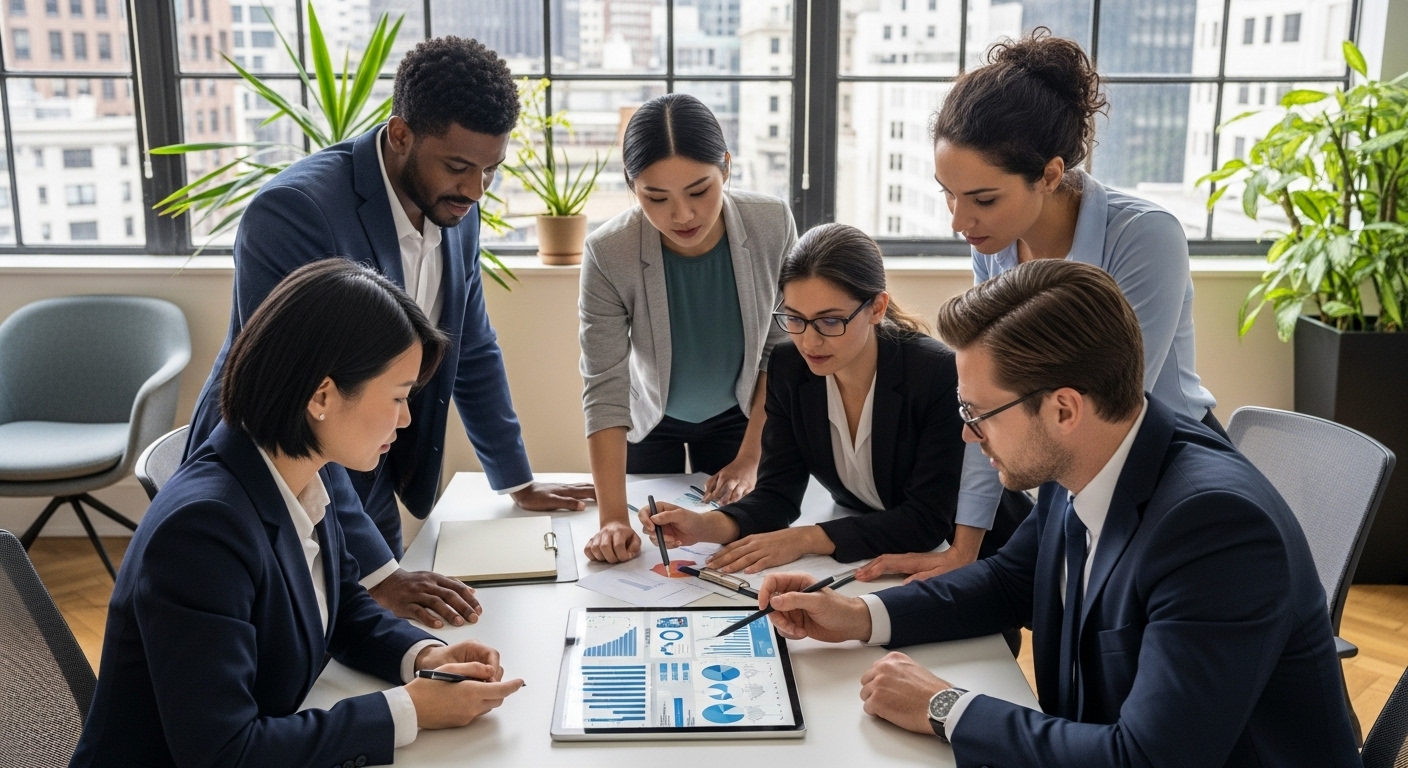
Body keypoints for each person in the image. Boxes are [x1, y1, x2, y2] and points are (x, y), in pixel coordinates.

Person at [754, 259, 1359, 767]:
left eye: (978, 414)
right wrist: (856, 615)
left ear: (1064, 408)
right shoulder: (1086, 458)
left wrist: (945, 706)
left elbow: (1147, 759)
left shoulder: (1215, 529)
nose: (969, 436)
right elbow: (1008, 581)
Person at [184, 37, 593, 628]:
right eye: (458, 167)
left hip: (368, 462)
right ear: (401, 135)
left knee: (386, 643)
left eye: (489, 170)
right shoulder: (296, 212)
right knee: (296, 655)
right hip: (277, 480)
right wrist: (379, 572)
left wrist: (516, 478)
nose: (476, 191)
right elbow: (299, 404)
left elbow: (469, 346)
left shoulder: (457, 210)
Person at [70, 260, 525, 768]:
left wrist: (423, 657)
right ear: (322, 396)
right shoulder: (202, 531)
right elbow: (223, 753)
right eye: (398, 396)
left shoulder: (303, 467)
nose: (406, 418)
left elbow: (341, 606)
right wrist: (409, 710)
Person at [870, 30, 1222, 583]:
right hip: (1066, 457)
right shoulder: (995, 245)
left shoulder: (1145, 236)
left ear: (1051, 175)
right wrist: (963, 550)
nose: (959, 222)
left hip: (1163, 465)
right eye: (948, 192)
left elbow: (1111, 413)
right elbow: (985, 401)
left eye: (983, 199)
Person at [639, 223, 1024, 574]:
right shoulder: (790, 367)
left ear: (877, 308)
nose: (809, 340)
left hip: (985, 558)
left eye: (829, 321)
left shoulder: (936, 373)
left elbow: (924, 522)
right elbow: (777, 494)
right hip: (880, 554)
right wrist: (705, 525)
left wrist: (804, 539)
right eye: (794, 318)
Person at [578, 93, 797, 563]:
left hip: (739, 418)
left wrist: (751, 457)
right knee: (647, 555)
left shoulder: (771, 223)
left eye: (699, 191)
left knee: (728, 551)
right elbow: (604, 382)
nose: (682, 215)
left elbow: (779, 352)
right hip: (648, 421)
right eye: (655, 198)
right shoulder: (607, 251)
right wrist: (611, 517)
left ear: (727, 169)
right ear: (632, 187)